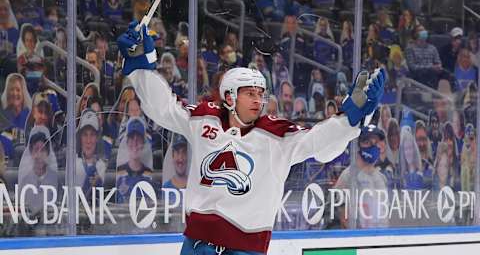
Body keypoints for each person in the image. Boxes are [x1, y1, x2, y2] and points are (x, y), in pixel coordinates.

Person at [117, 21, 385, 254]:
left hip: (246, 249)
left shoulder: (276, 135)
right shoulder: (203, 118)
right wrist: (142, 69)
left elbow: (318, 142)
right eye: (251, 93)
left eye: (261, 94)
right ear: (230, 97)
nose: (259, 100)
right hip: (198, 246)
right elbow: (163, 108)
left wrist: (351, 119)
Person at [335, 125, 389, 228]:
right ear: (358, 146)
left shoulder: (381, 178)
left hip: (380, 239)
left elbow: (384, 215)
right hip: (359, 240)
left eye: (375, 142)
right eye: (367, 142)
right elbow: (342, 217)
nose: (372, 147)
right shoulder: (348, 176)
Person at [115, 117, 153, 204]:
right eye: (132, 138)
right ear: (127, 142)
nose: (135, 143)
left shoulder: (149, 176)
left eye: (138, 139)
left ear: (143, 143)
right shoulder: (120, 175)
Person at [76, 109, 106, 201]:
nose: (88, 141)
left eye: (92, 135)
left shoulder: (103, 166)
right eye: (85, 135)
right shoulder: (73, 164)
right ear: (80, 137)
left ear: (97, 138)